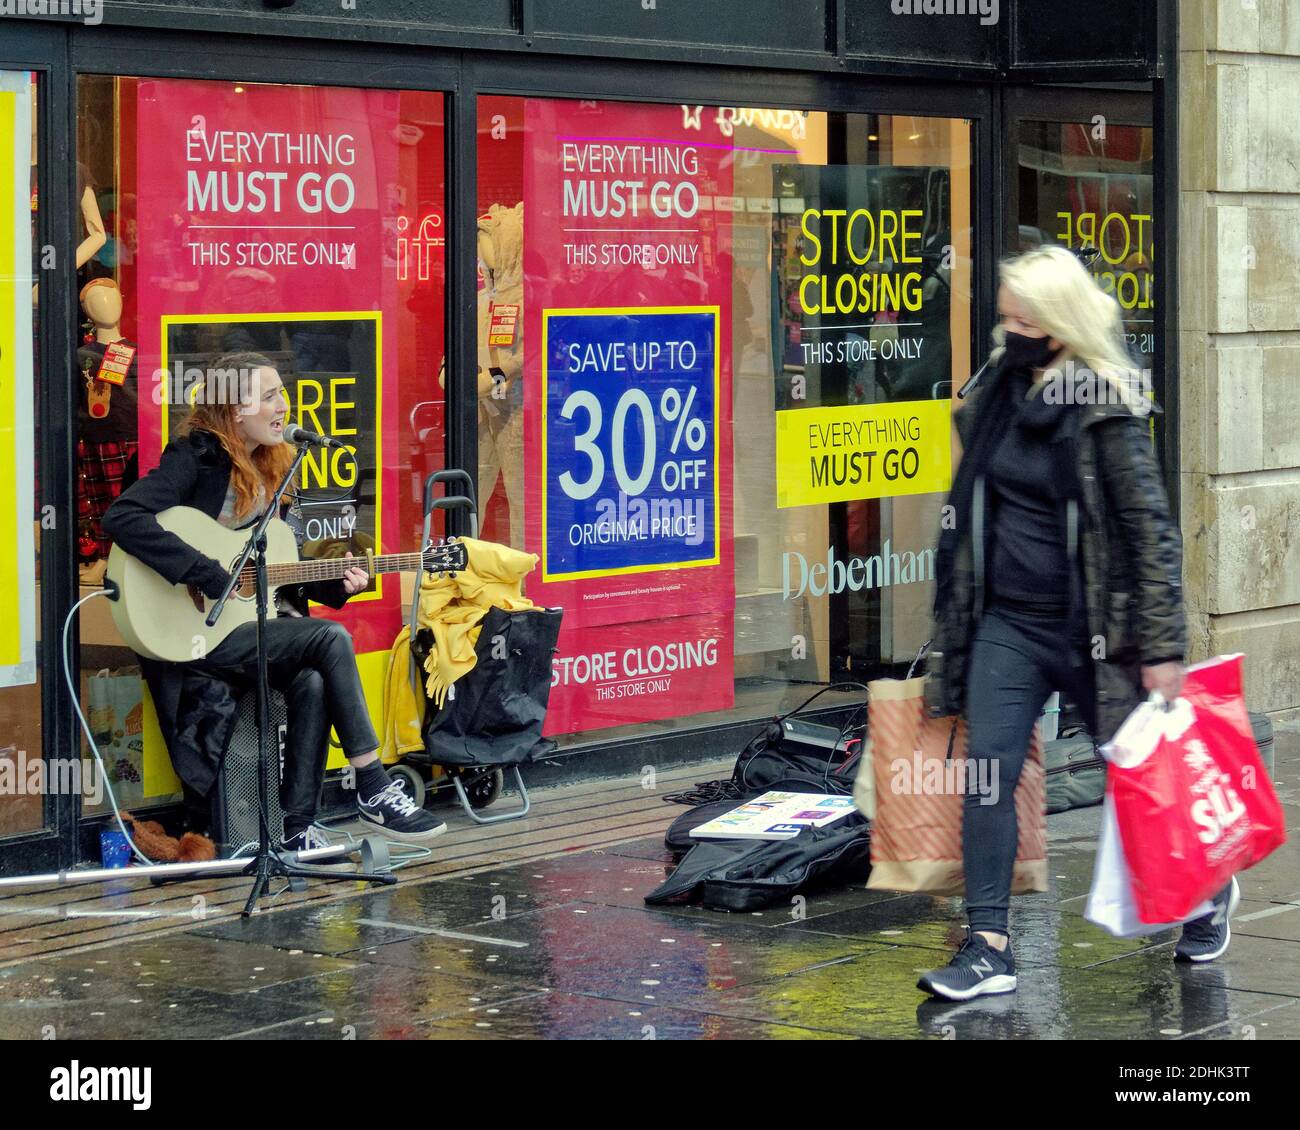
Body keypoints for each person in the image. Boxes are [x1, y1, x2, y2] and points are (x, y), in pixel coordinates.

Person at [919, 245, 1236, 1002]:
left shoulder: (1104, 407)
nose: (1008, 331)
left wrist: (1161, 648)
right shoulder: (996, 389)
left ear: (1059, 327)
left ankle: (1205, 892)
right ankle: (988, 944)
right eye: (1004, 318)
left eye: (1021, 320)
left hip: (1097, 631)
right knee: (988, 772)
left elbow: (1150, 531)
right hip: (1008, 625)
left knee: (1138, 777)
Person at [103, 351, 446, 853]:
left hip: (245, 630)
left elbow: (281, 575)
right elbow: (123, 517)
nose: (282, 405)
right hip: (196, 635)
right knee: (329, 638)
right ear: (235, 409)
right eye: (268, 396)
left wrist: (337, 584)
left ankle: (296, 829)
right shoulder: (195, 456)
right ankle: (373, 784)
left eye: (281, 393)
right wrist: (206, 573)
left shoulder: (275, 466)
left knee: (310, 678)